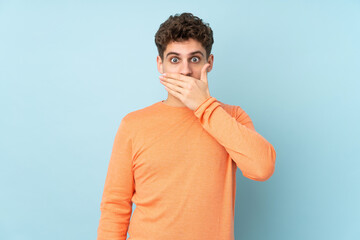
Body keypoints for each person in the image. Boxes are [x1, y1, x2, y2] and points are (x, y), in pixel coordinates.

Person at [97, 12, 276, 240]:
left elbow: (262, 168)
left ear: (208, 63)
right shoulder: (134, 124)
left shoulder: (231, 116)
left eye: (194, 59)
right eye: (174, 60)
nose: (184, 71)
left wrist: (204, 105)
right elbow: (115, 207)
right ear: (160, 64)